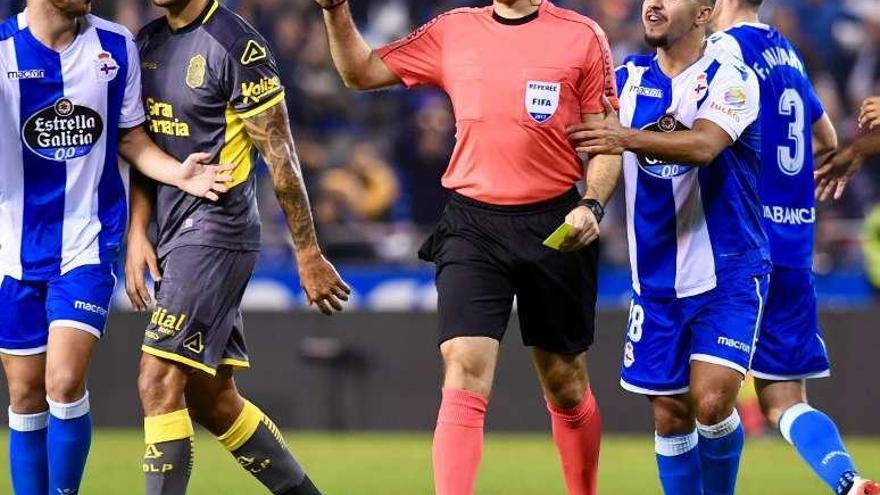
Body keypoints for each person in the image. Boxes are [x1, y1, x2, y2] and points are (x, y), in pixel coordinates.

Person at [314, 0, 622, 493]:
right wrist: (335, 11)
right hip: (472, 222)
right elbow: (361, 72)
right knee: (463, 364)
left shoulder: (581, 36)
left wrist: (593, 203)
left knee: (565, 385)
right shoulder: (454, 30)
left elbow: (607, 142)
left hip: (555, 221)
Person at [0, 0, 232, 493]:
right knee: (24, 395)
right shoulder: (3, 52)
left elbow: (130, 137)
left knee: (61, 382)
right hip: (11, 248)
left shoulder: (115, 47)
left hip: (86, 244)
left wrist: (176, 172)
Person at [124, 0, 351, 494]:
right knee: (213, 399)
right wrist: (137, 231)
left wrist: (307, 252)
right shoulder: (145, 43)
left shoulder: (238, 46)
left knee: (157, 377)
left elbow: (281, 155)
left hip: (217, 231)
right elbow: (145, 146)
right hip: (171, 233)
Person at [568, 0, 769, 493]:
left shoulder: (732, 77)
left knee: (712, 401)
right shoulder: (625, 80)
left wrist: (626, 137)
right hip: (655, 282)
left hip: (727, 272)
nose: (653, 3)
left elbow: (702, 146)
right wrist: (590, 203)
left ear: (704, 13)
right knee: (671, 416)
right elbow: (600, 148)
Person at [707, 2, 880, 494]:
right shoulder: (788, 54)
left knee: (694, 394)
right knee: (785, 401)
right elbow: (825, 140)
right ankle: (848, 481)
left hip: (739, 249)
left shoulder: (723, 50)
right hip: (794, 246)